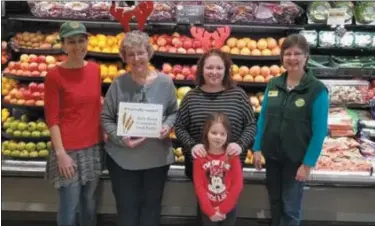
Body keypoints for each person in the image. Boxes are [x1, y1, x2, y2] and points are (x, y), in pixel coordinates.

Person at [101, 30, 178, 226]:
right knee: (126, 211)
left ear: (149, 53)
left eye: (141, 53)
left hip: (156, 159)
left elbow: (173, 112)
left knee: (151, 210)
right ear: (124, 57)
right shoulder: (118, 84)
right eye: (130, 54)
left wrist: (167, 125)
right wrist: (120, 139)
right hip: (123, 160)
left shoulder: (165, 83)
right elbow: (106, 117)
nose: (136, 58)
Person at [252, 34, 329, 226]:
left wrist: (307, 164)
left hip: (296, 161)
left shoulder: (317, 90)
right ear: (282, 57)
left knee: (291, 208)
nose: (292, 58)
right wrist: (257, 147)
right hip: (272, 158)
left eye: (297, 53)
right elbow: (263, 119)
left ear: (306, 57)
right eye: (288, 54)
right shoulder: (273, 84)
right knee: (275, 203)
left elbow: (319, 132)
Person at [175, 49, 256, 224]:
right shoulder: (191, 97)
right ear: (201, 70)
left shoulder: (238, 95)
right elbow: (180, 127)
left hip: (230, 169)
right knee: (205, 212)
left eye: (219, 68)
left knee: (229, 211)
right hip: (201, 169)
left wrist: (241, 145)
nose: (214, 72)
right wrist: (192, 145)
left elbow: (251, 125)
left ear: (226, 70)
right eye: (209, 67)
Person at [44, 21, 102, 226]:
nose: (77, 46)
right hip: (68, 151)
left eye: (81, 40)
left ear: (87, 42)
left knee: (89, 203)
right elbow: (52, 118)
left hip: (93, 147)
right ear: (63, 45)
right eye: (71, 42)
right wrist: (61, 155)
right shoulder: (54, 76)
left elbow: (96, 106)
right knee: (70, 206)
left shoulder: (95, 70)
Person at [193, 112, 243, 226]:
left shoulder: (232, 156)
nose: (218, 137)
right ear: (206, 133)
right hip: (207, 209)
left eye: (222, 134)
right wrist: (210, 211)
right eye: (214, 133)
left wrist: (223, 209)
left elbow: (238, 184)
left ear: (227, 136)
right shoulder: (200, 157)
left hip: (229, 209)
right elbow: (199, 186)